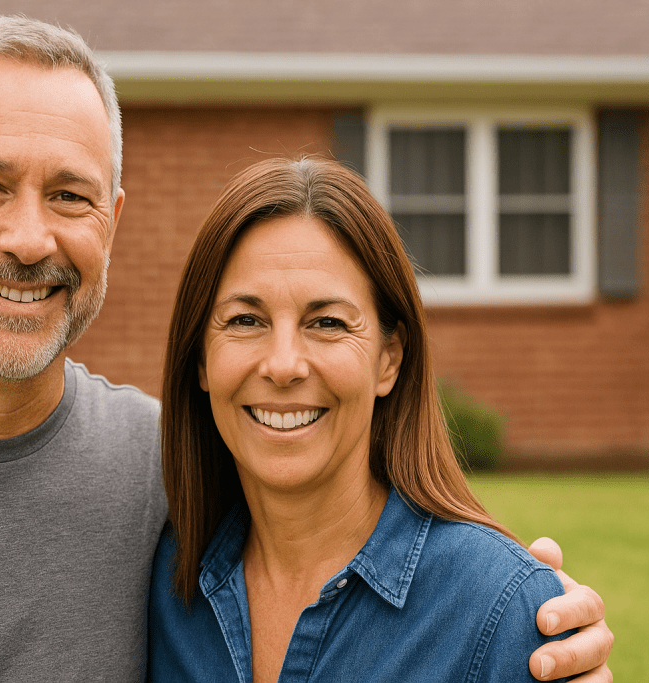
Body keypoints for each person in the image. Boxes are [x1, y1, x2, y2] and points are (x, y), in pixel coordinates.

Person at [0, 15, 610, 683]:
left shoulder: (170, 470)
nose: (31, 238)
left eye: (71, 196)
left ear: (113, 223)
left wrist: (533, 612)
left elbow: (385, 554)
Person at [148, 156, 605, 682]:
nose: (282, 365)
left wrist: (522, 602)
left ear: (388, 359)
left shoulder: (500, 613)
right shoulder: (162, 585)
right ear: (202, 358)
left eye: (327, 322)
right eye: (245, 320)